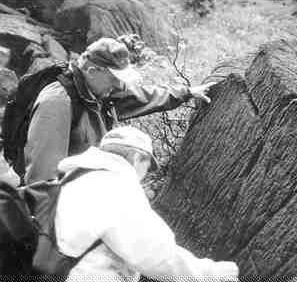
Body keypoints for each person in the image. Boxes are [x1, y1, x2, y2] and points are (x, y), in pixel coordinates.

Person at [54, 126, 239, 282]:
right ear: (137, 158)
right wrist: (212, 273)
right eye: (148, 166)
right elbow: (156, 255)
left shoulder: (75, 178)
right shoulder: (117, 185)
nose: (146, 174)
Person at [23, 37, 215, 184]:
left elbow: (143, 96)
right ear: (92, 71)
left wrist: (186, 92)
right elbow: (42, 177)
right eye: (115, 79)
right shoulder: (58, 103)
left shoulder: (98, 91)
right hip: (68, 204)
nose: (121, 86)